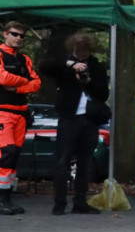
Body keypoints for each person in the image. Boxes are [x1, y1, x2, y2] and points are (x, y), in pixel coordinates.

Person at [39, 32, 108, 215]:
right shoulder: (65, 63)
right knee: (62, 162)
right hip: (68, 119)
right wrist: (71, 64)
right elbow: (45, 67)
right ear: (73, 49)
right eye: (78, 51)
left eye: (85, 51)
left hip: (90, 120)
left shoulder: (97, 67)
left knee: (84, 164)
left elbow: (103, 94)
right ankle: (59, 203)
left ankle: (80, 202)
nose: (82, 54)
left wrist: (88, 81)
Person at [0, 21, 41, 215]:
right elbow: (2, 78)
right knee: (5, 152)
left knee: (14, 154)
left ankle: (7, 198)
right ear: (5, 34)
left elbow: (37, 83)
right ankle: (2, 200)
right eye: (14, 34)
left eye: (21, 36)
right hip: (3, 112)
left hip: (21, 113)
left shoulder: (25, 59)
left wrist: (17, 87)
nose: (18, 38)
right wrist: (25, 81)